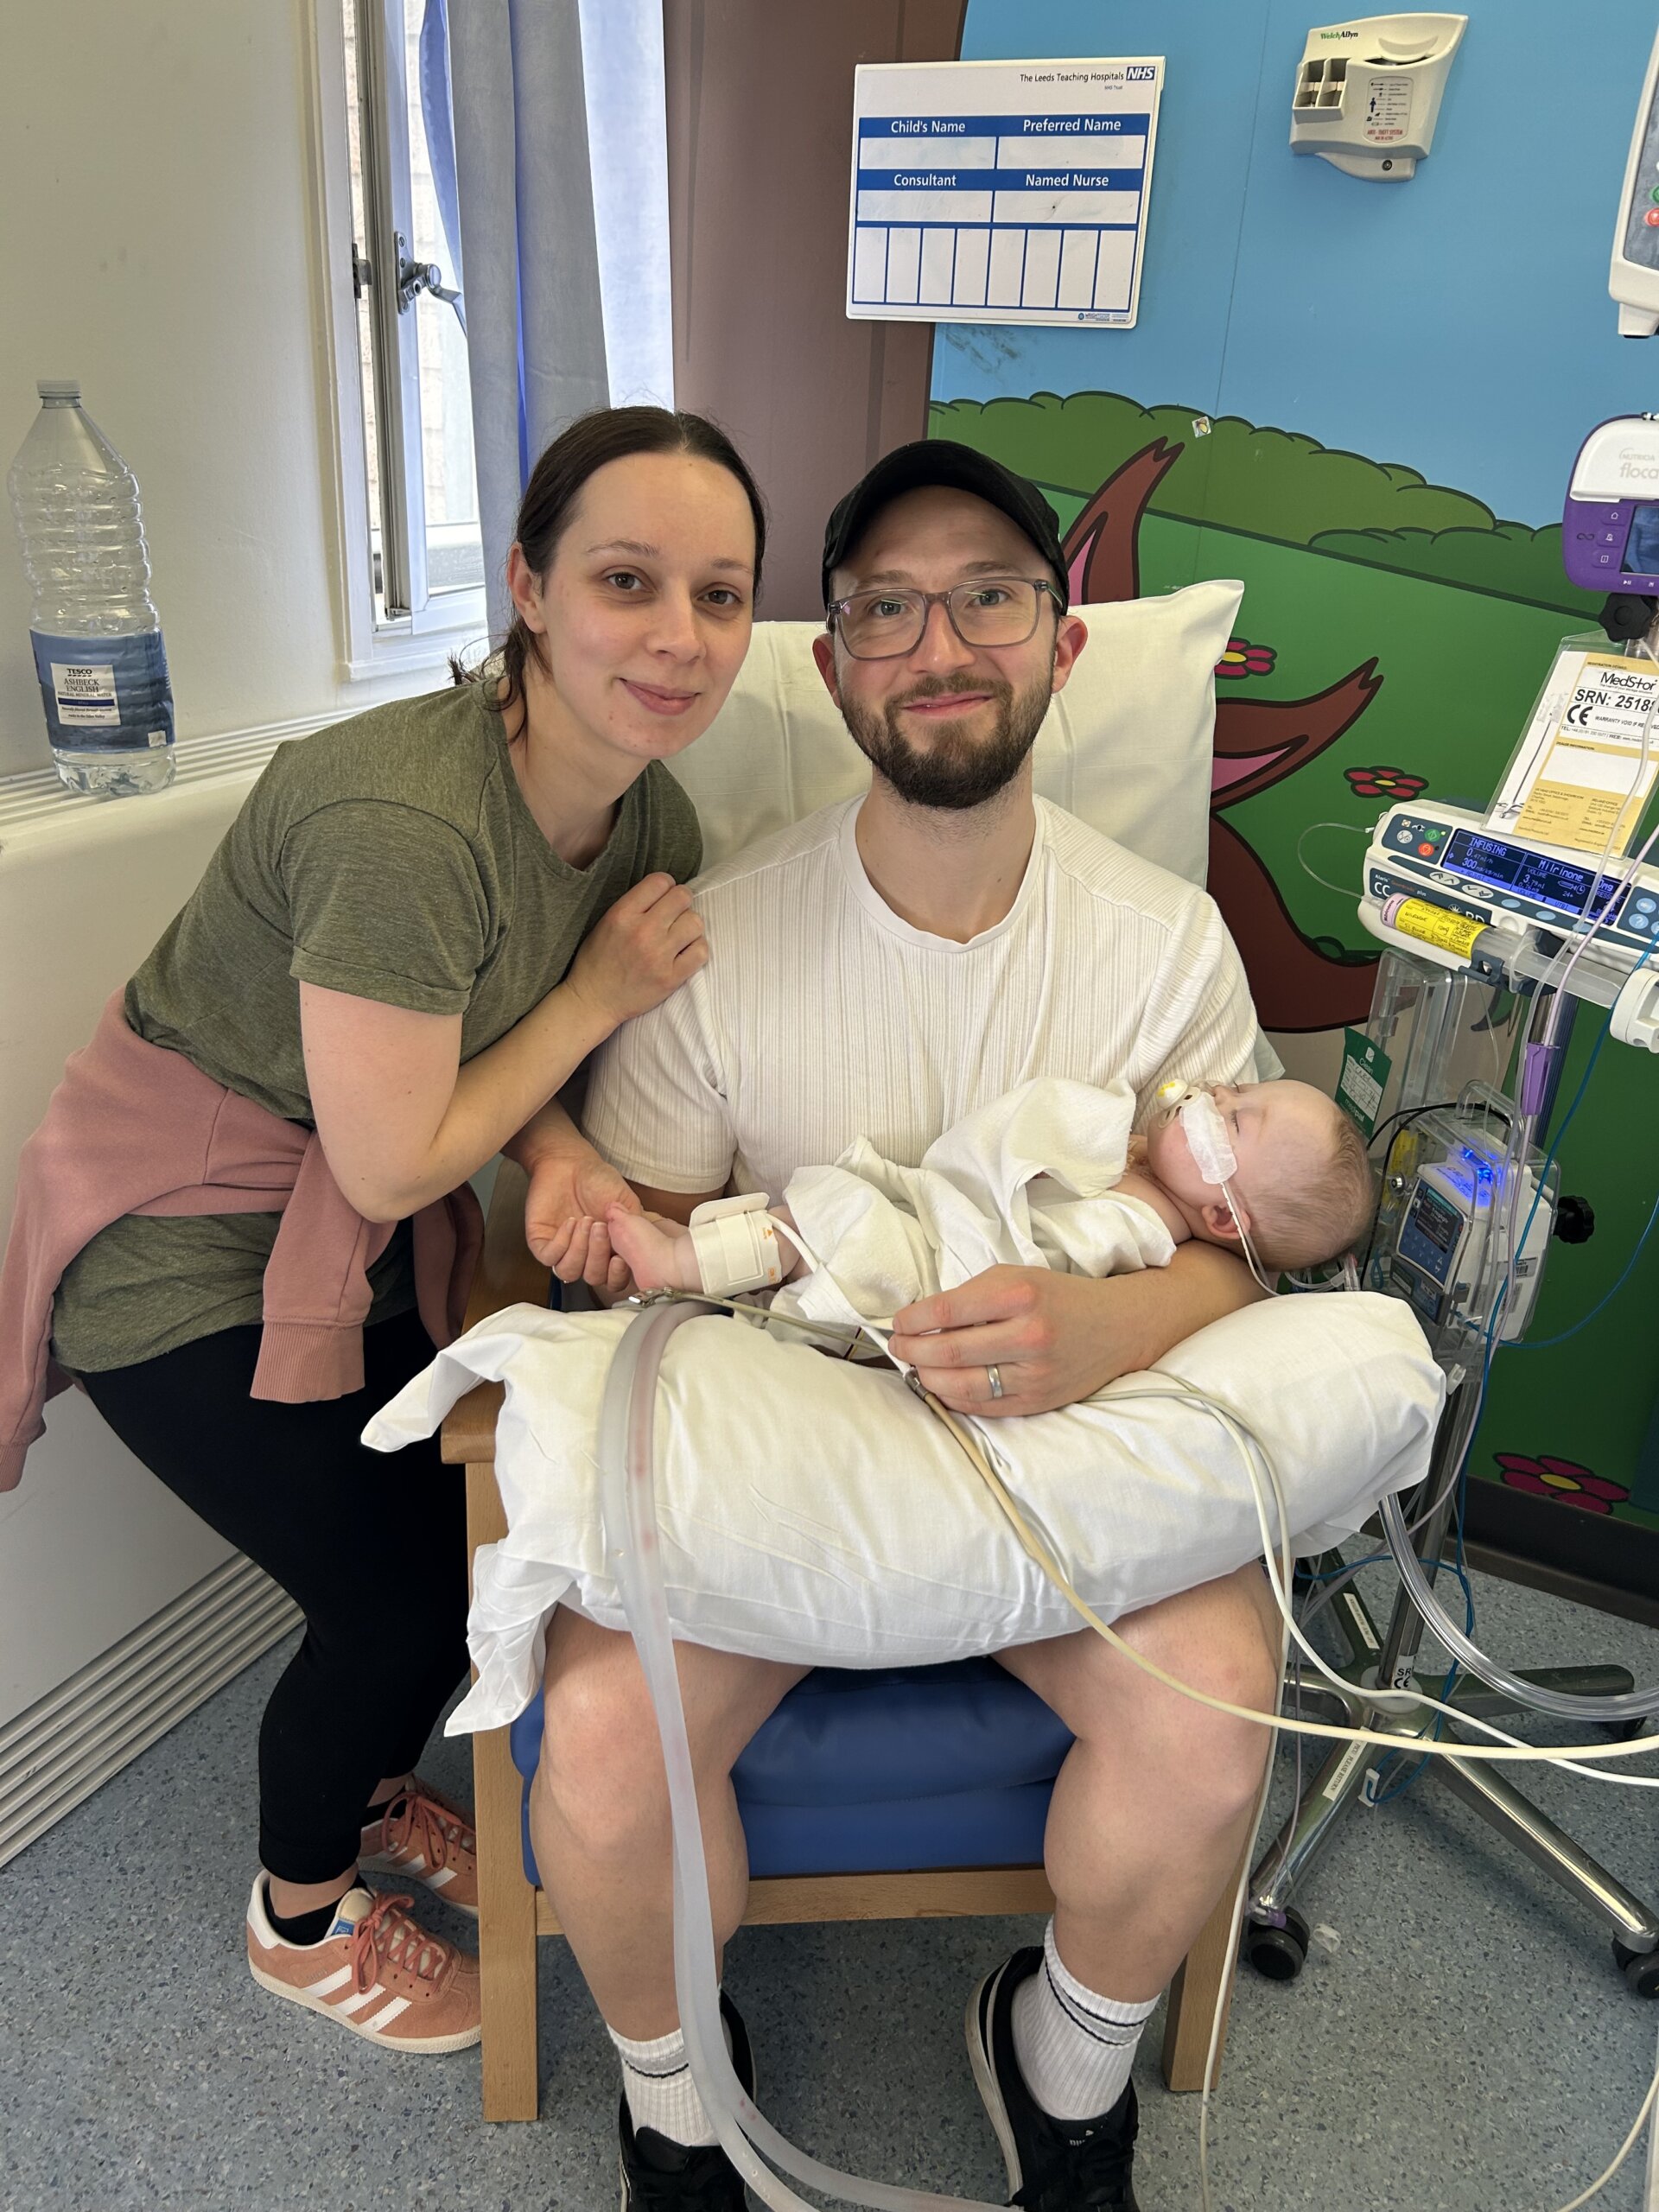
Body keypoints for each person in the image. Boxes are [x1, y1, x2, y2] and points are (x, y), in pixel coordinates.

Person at [513, 438, 1289, 2212]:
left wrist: (1109, 1324)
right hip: (799, 1457)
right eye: (887, 608)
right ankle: (679, 2104)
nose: (942, 645)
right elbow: (634, 1252)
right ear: (833, 660)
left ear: (1065, 642)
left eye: (992, 597)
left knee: (1215, 1705)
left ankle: (1066, 2061)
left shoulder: (1165, 944)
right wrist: (580, 1214)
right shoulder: (718, 940)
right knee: (612, 1741)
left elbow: (1251, 1254)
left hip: (1069, 1460)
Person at [0, 405, 767, 2056]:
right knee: (403, 1600)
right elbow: (405, 1134)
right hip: (181, 1237)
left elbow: (468, 1052)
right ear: (528, 591)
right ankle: (296, 1913)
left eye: (721, 594)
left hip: (348, 1210)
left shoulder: (651, 826)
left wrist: (560, 1152)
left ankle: (363, 1798)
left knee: (466, 1542)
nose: (678, 636)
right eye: (627, 579)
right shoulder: (402, 822)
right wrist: (593, 1006)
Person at [596, 1073, 1376, 1320]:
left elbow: (1039, 1259)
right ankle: (697, 1247)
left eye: (1234, 1116)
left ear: (1221, 1217)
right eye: (1238, 1085)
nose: (1214, 1089)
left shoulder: (1137, 1229)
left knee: (841, 1220)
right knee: (836, 1203)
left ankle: (680, 1261)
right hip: (935, 1217)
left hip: (949, 1270)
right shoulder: (1146, 1168)